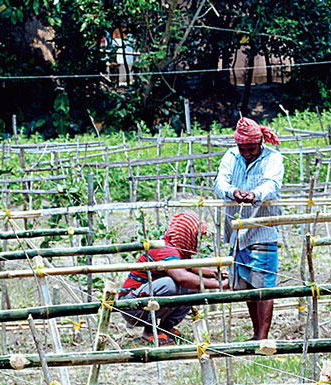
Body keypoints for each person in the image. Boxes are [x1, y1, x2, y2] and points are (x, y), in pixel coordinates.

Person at [213, 117, 284, 340]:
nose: (246, 153)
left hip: (262, 226)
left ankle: (262, 336)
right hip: (236, 230)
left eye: (251, 149)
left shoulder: (273, 158)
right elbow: (220, 183)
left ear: (260, 143)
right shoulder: (230, 156)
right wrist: (233, 191)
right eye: (242, 148)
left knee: (264, 283)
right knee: (246, 284)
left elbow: (272, 184)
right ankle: (256, 334)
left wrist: (255, 194)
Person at [119, 211, 227, 344]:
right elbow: (182, 277)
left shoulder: (177, 249)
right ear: (186, 234)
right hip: (133, 307)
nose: (199, 240)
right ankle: (150, 330)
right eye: (196, 236)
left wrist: (214, 274)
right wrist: (218, 285)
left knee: (193, 287)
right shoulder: (164, 249)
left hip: (143, 302)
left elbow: (190, 267)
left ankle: (165, 327)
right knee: (170, 285)